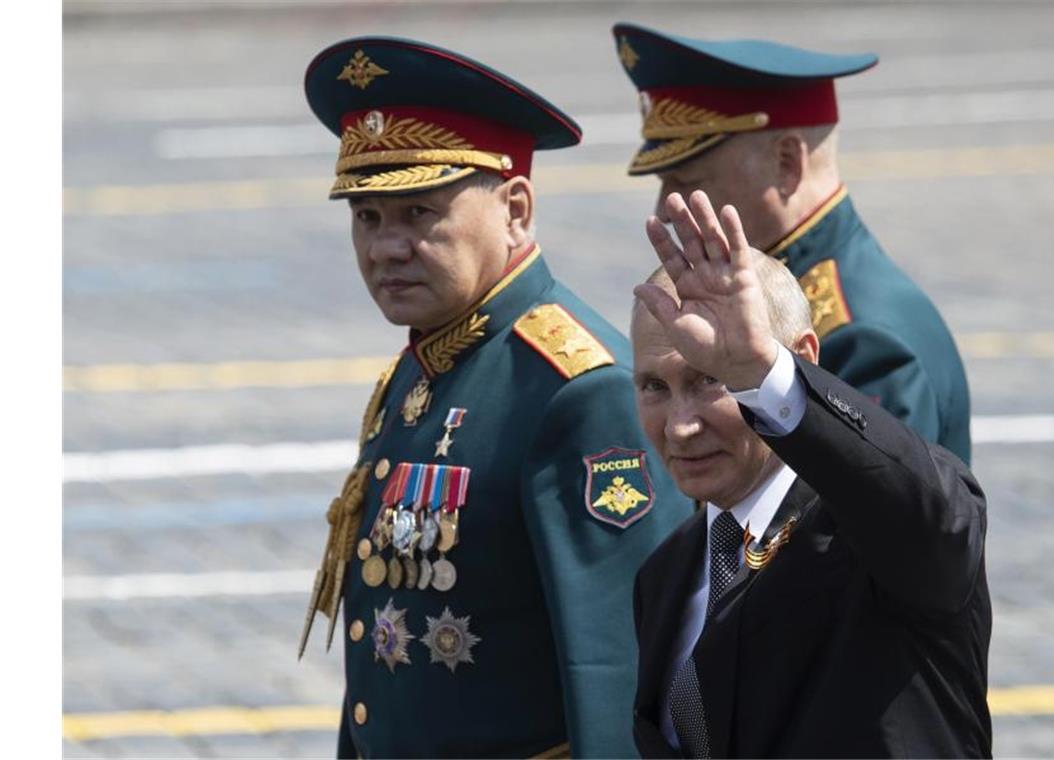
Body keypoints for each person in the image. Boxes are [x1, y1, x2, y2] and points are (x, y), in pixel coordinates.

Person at [295, 36, 692, 758]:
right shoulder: (427, 363)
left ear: (515, 209)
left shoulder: (575, 390)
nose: (386, 247)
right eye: (367, 217)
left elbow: (618, 674)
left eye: (419, 213)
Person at [628, 189, 992, 758]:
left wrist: (760, 373)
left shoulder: (872, 541)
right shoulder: (667, 575)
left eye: (709, 380)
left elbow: (935, 516)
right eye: (655, 387)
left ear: (802, 357)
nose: (680, 426)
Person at [612, 23, 973, 464]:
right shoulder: (788, 287)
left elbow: (874, 517)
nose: (666, 210)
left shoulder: (858, 336)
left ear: (786, 163)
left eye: (690, 183)